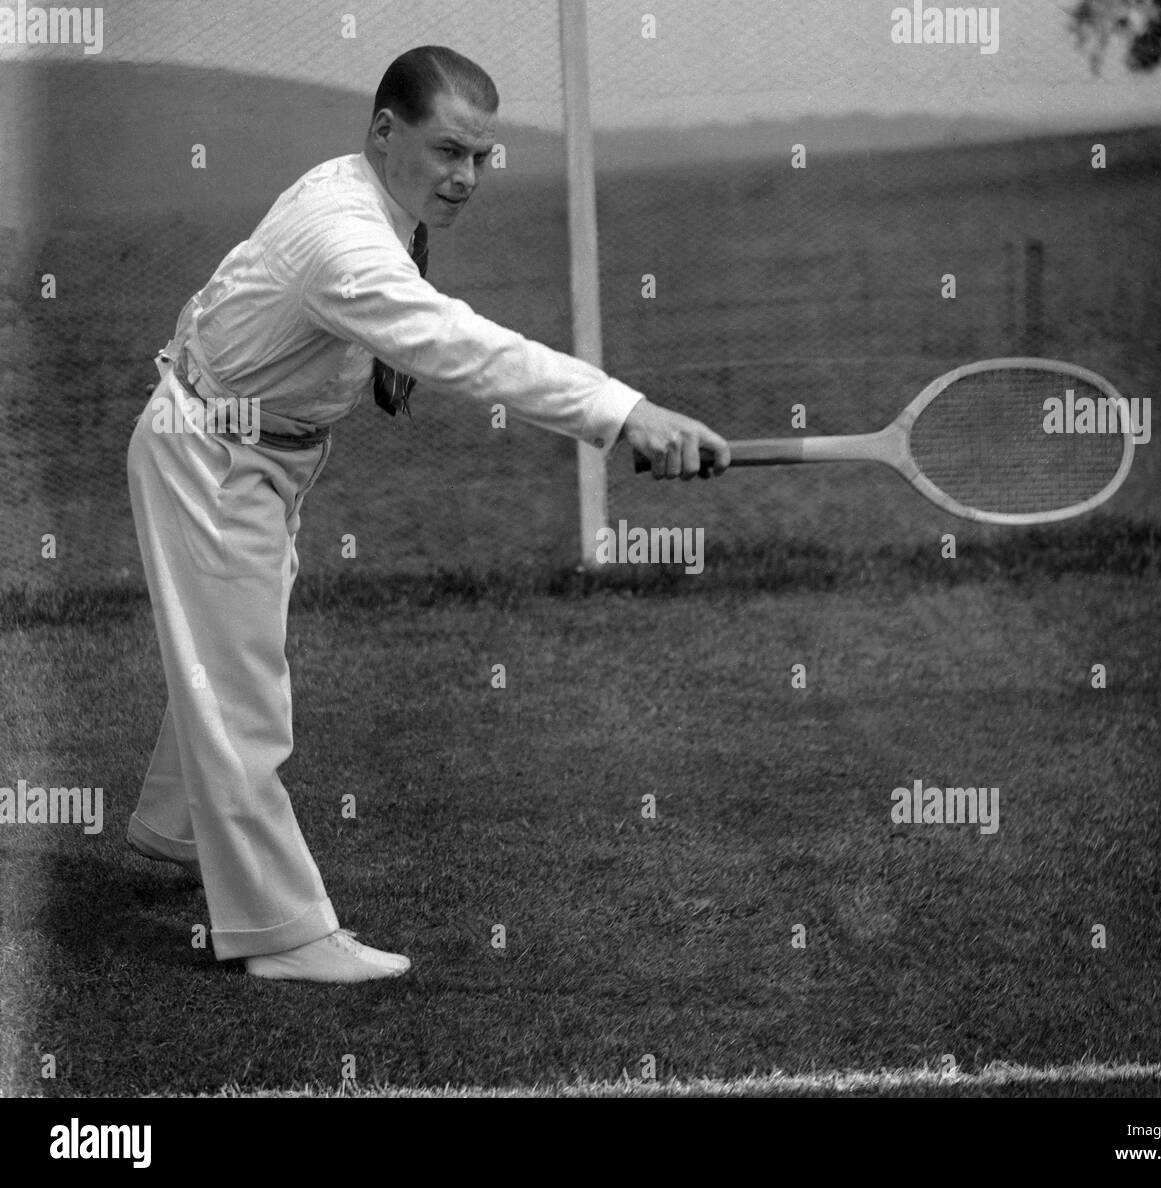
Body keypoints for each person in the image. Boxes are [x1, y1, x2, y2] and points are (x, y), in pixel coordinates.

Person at [125, 45, 729, 984]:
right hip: (214, 455)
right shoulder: (344, 238)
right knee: (244, 696)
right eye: (448, 151)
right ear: (383, 131)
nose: (465, 177)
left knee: (228, 655)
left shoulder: (364, 197)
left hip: (250, 450)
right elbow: (461, 346)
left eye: (480, 158)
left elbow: (416, 322)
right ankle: (280, 935)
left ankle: (173, 827)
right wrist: (625, 414)